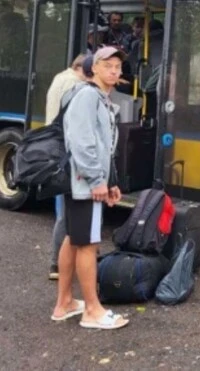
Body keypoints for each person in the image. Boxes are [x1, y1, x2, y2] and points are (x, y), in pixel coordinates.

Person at [51, 46, 128, 329]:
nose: (115, 71)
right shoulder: (86, 96)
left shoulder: (96, 97)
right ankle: (92, 311)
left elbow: (102, 145)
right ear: (93, 67)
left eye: (118, 67)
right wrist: (97, 181)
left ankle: (64, 304)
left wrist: (111, 182)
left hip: (82, 181)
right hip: (84, 183)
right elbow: (82, 142)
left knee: (74, 238)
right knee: (87, 242)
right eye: (108, 65)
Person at [46, 54, 87, 280]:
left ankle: (70, 260)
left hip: (57, 148)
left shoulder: (60, 78)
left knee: (65, 210)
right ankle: (57, 264)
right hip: (66, 152)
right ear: (81, 67)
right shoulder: (75, 84)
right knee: (66, 214)